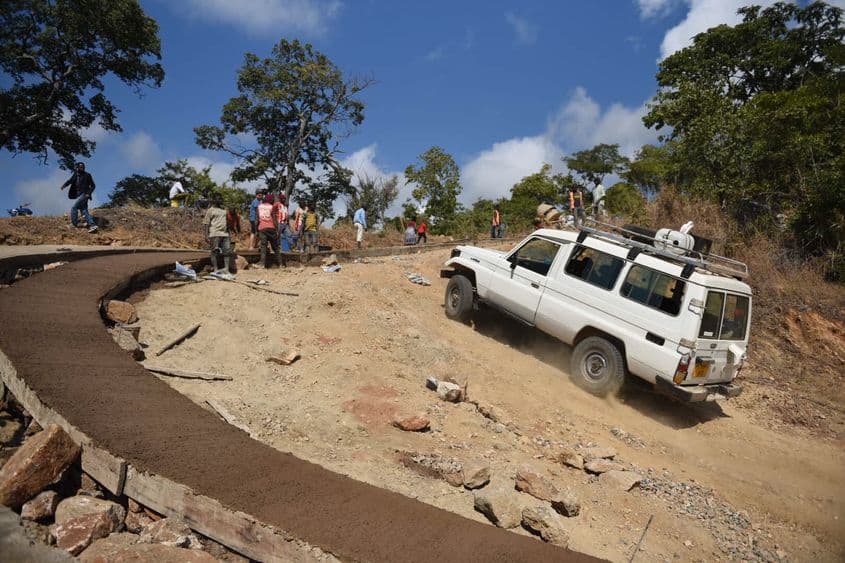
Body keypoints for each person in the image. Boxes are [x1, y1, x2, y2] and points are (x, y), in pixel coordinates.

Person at [60, 162, 98, 233]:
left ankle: (74, 224)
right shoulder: (75, 174)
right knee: (84, 210)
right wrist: (64, 186)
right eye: (80, 167)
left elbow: (93, 186)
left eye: (83, 167)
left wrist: (88, 193)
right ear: (77, 168)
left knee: (74, 208)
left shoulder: (87, 175)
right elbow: (70, 181)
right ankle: (92, 225)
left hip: (84, 194)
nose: (82, 168)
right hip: (78, 195)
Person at [203, 195, 232, 275]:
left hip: (225, 234)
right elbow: (206, 223)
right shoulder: (210, 210)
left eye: (221, 199)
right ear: (215, 200)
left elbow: (227, 223)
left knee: (227, 252)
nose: (221, 200)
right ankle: (215, 269)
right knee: (214, 252)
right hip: (214, 233)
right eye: (219, 199)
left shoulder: (224, 210)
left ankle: (226, 269)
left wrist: (229, 233)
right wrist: (206, 235)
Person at [256, 193, 283, 268]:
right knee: (275, 247)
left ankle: (262, 264)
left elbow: (257, 220)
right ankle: (280, 264)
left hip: (262, 228)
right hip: (271, 228)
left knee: (263, 246)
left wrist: (256, 230)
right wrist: (277, 230)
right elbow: (274, 219)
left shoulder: (259, 207)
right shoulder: (272, 207)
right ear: (271, 200)